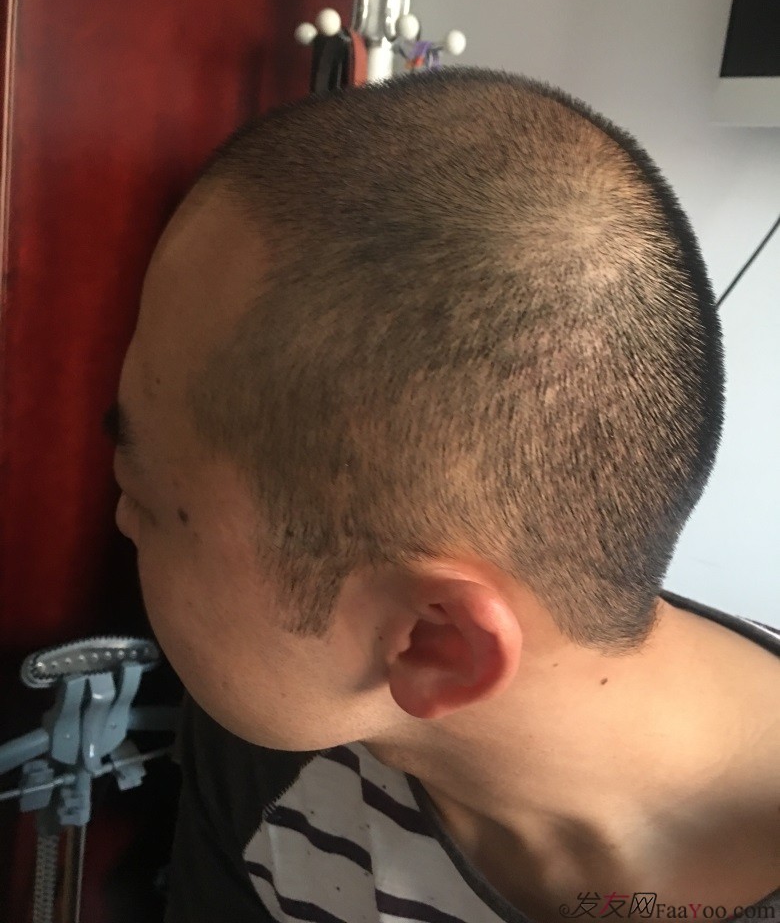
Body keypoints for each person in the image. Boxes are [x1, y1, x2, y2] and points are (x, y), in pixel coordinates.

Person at [109, 69, 780, 923]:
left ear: (436, 644)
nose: (121, 517)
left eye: (142, 496)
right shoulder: (289, 736)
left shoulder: (297, 684)